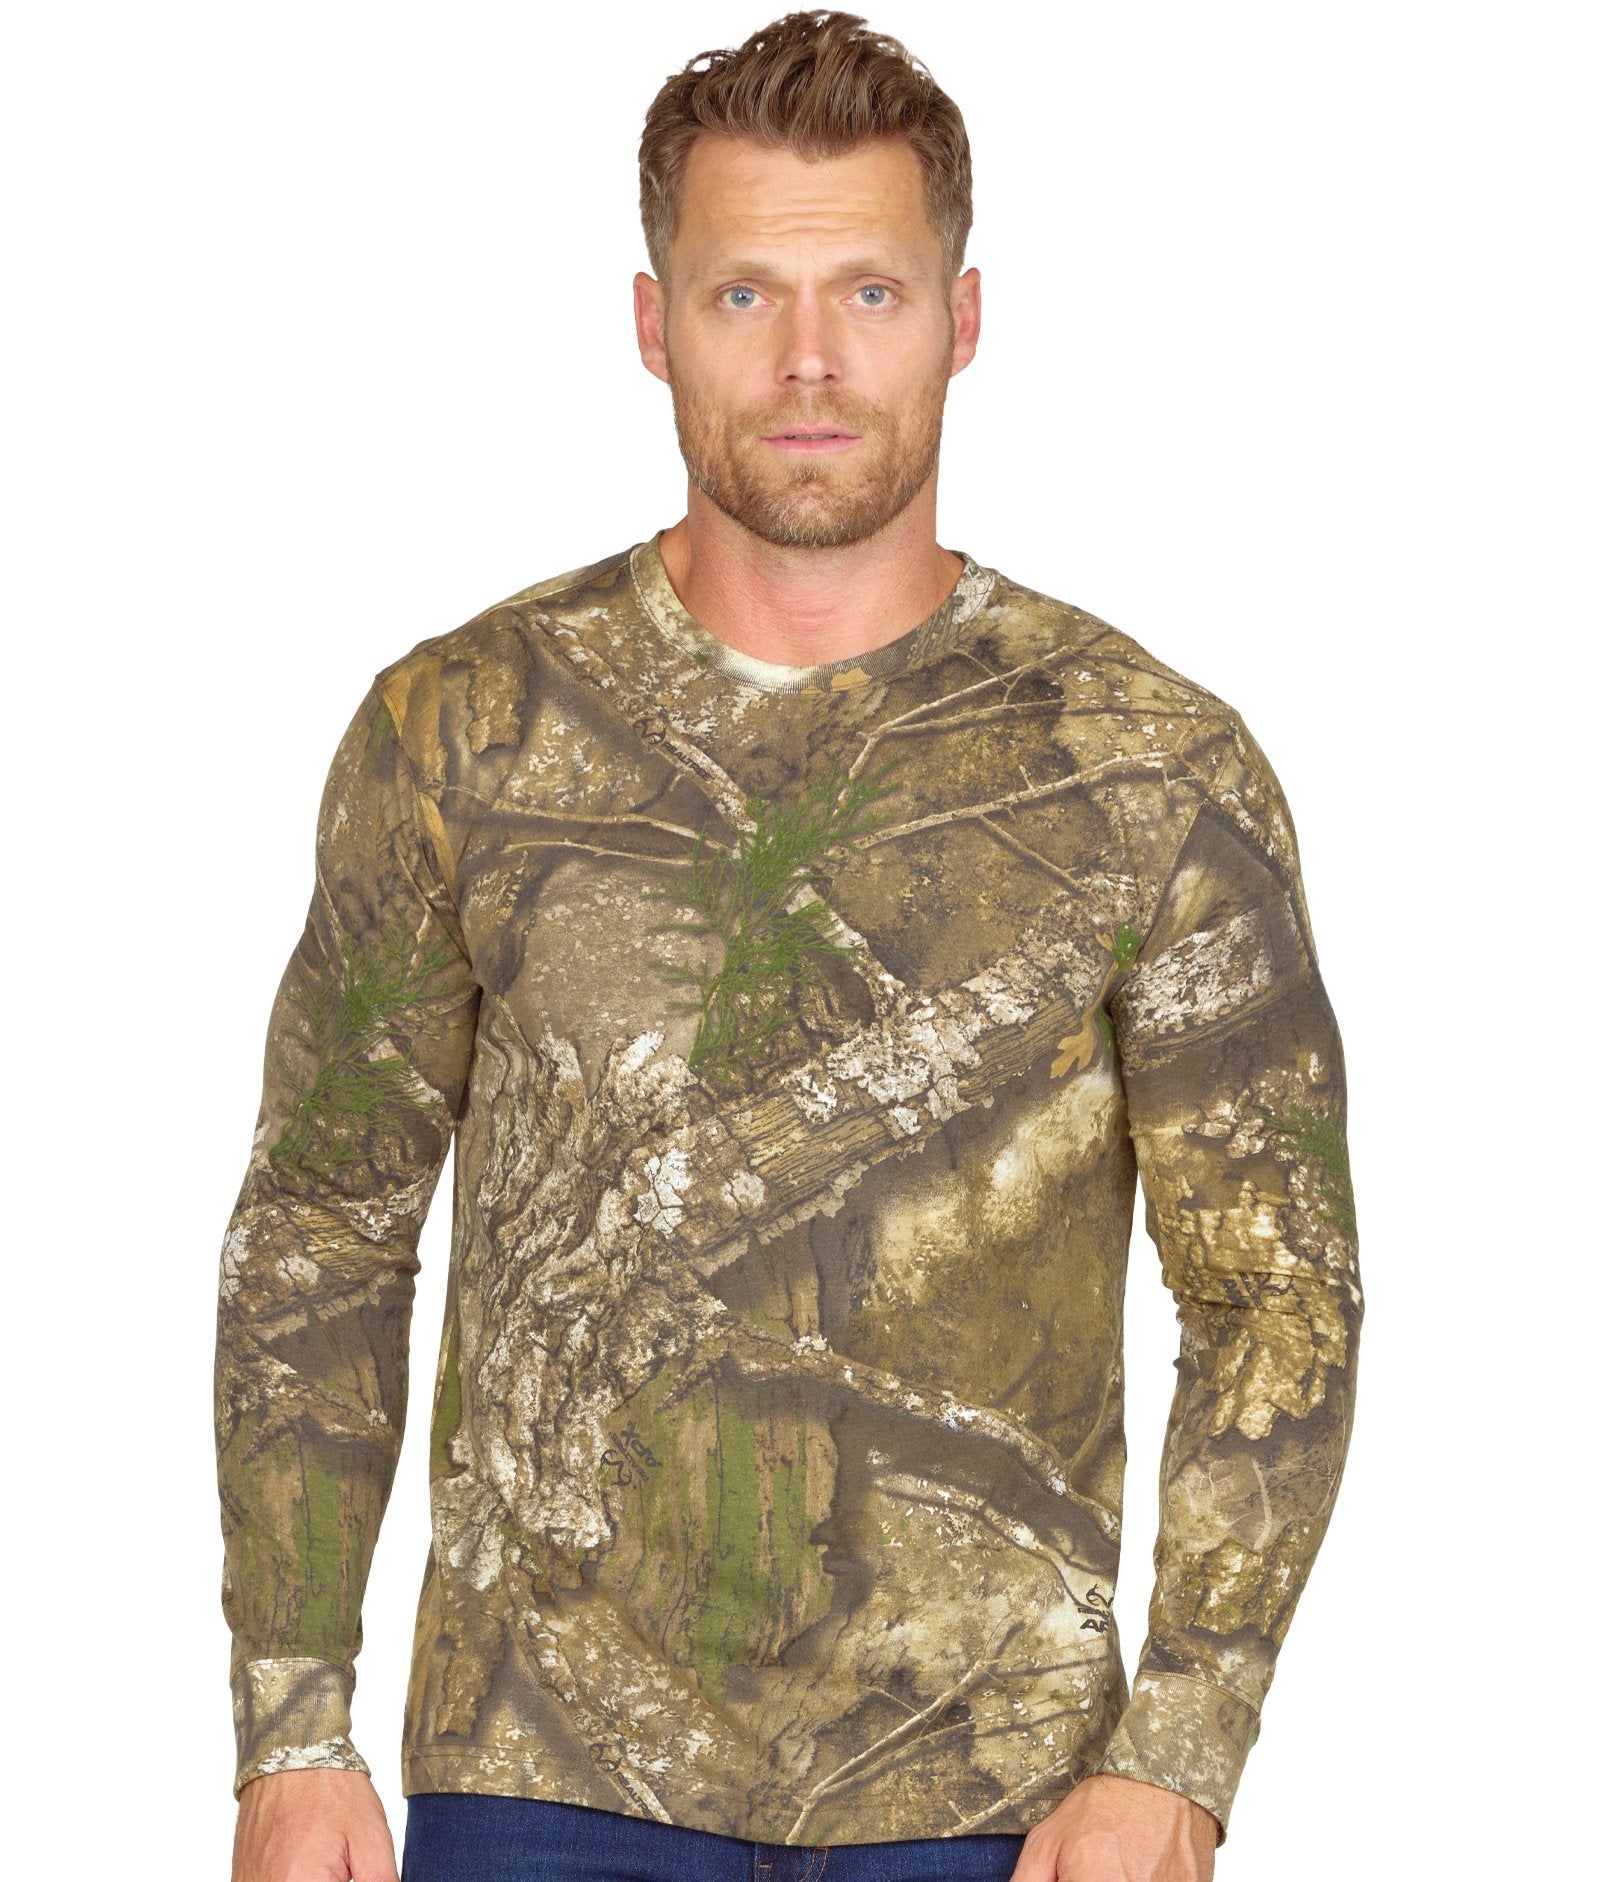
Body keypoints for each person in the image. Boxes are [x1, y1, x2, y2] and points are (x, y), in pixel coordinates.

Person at [215, 11, 1365, 1881]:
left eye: (870, 293)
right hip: (541, 1769)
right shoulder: (466, 731)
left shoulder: (1150, 765)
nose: (810, 360)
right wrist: (291, 1718)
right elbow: (322, 1227)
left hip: (995, 1786)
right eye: (745, 293)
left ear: (963, 319)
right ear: (654, 323)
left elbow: (1277, 1287)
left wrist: (1182, 1747)